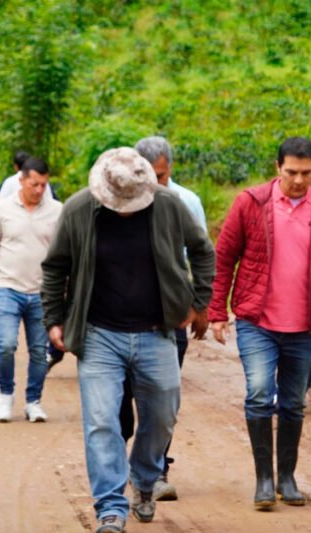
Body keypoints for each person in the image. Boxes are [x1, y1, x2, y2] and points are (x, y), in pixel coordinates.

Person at [41, 147, 214, 533]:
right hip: (99, 334)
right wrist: (54, 318)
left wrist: (198, 301)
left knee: (163, 414)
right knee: (102, 421)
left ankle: (145, 478)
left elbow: (203, 250)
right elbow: (55, 266)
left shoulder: (168, 205)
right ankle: (110, 507)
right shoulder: (79, 209)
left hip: (157, 331)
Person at [208, 137, 311, 510]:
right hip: (257, 321)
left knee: (293, 403)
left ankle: (286, 476)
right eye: (291, 172)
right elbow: (224, 257)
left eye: (306, 173)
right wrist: (217, 310)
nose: (298, 180)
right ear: (277, 168)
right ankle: (264, 480)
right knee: (259, 392)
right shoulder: (251, 203)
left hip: (304, 326)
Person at [116, 135, 208, 502]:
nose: (155, 184)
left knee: (162, 397)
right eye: (149, 176)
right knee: (121, 398)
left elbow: (201, 253)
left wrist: (200, 306)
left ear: (170, 170)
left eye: (162, 176)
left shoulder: (186, 202)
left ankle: (156, 470)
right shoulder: (117, 201)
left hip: (170, 313)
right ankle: (121, 461)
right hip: (122, 315)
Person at [0, 157, 61, 423]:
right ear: (22, 180)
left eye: (44, 185)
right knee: (6, 345)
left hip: (42, 292)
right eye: (34, 184)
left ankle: (33, 401)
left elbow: (64, 254)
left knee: (39, 350)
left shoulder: (57, 211)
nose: (39, 190)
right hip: (8, 287)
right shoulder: (2, 209)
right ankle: (6, 394)